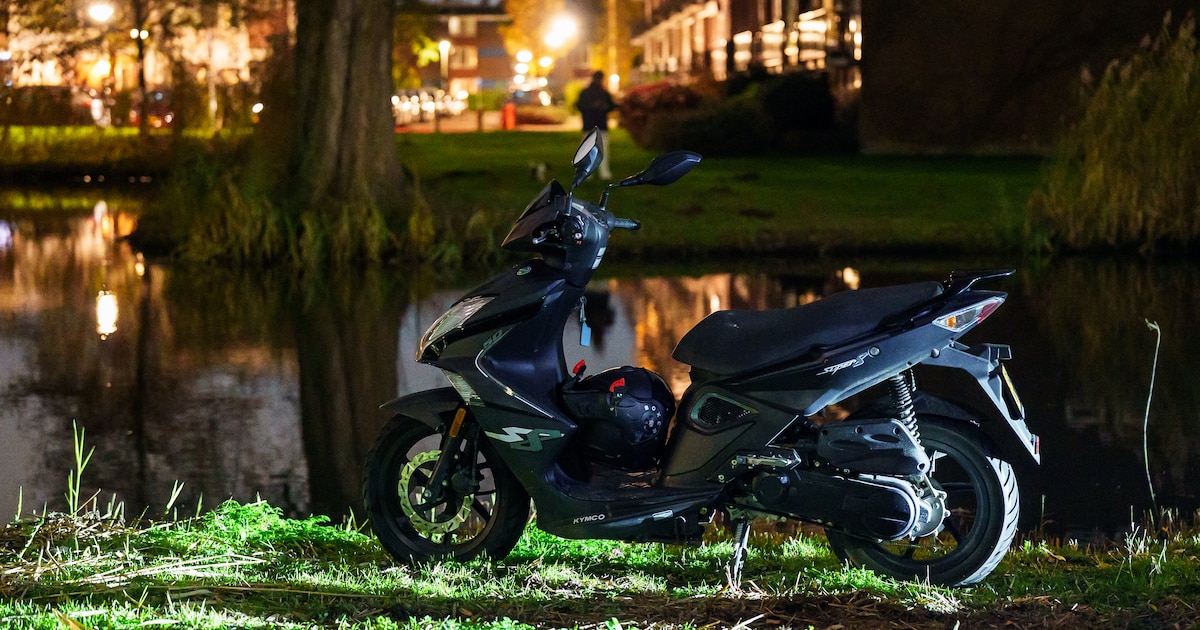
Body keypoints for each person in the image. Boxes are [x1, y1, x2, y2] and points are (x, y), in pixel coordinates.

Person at [574, 70, 616, 180]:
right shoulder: (604, 93)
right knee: (603, 150)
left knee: (587, 150)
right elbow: (612, 106)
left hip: (589, 125)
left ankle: (588, 172)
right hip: (600, 125)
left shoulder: (585, 93)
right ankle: (604, 173)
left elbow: (579, 105)